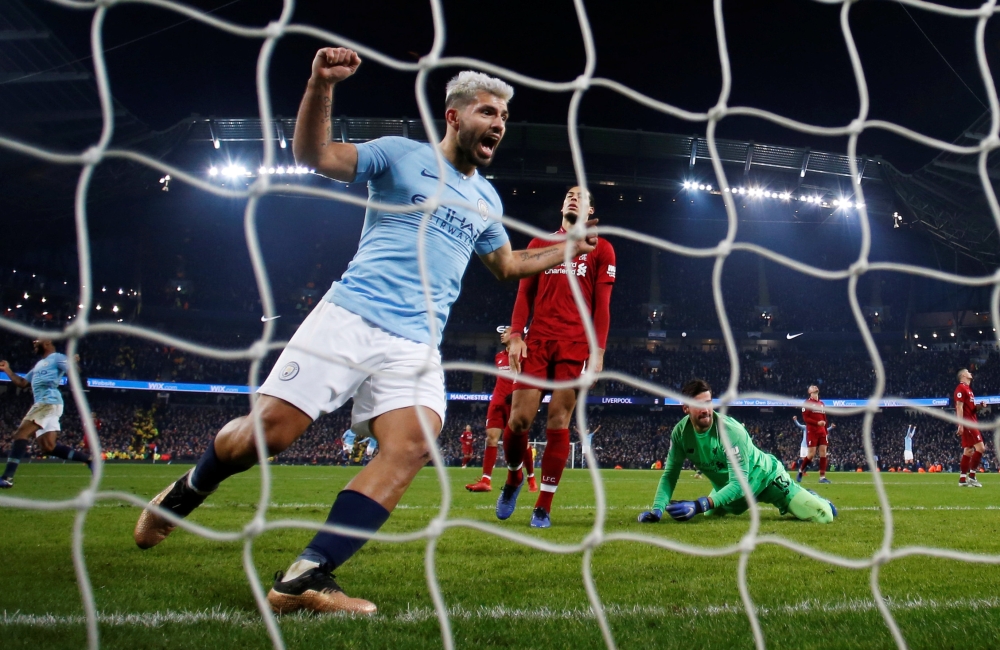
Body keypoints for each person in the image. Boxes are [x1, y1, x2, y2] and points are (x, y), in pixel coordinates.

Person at [132, 47, 598, 616]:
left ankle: (305, 578)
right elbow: (315, 154)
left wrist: (565, 248)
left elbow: (505, 266)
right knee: (268, 435)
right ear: (453, 116)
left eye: (503, 115)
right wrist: (319, 86)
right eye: (487, 112)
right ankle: (188, 488)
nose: (498, 123)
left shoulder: (486, 199)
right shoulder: (401, 156)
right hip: (350, 316)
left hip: (415, 345)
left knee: (413, 443)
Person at [496, 186, 616, 529]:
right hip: (538, 341)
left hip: (575, 345)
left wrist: (598, 351)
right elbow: (523, 294)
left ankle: (543, 506)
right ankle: (515, 477)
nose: (574, 197)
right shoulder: (538, 244)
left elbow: (602, 307)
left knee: (558, 422)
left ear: (592, 207)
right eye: (569, 193)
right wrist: (517, 334)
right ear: (563, 204)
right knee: (518, 421)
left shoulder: (602, 248)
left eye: (582, 195)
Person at [638, 379, 835, 525]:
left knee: (823, 516)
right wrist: (657, 510)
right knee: (709, 516)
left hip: (766, 479)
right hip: (731, 489)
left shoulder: (731, 431)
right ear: (685, 408)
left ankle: (817, 499)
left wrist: (699, 505)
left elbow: (738, 483)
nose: (706, 410)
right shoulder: (680, 434)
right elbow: (670, 475)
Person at [0, 340, 90, 488]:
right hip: (48, 404)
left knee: (21, 434)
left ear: (47, 342)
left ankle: (7, 477)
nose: (34, 342)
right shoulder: (39, 364)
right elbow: (22, 383)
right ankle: (88, 459)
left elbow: (74, 371)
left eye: (37, 340)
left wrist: (72, 363)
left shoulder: (56, 357)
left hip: (48, 401)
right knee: (48, 447)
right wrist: (7, 370)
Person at [466, 327, 537, 493]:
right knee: (491, 438)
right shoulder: (498, 356)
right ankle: (486, 480)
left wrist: (518, 394)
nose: (501, 335)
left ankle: (531, 477)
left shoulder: (524, 354)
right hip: (497, 401)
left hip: (515, 402)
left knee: (522, 441)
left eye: (505, 332)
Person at [954, 368, 985, 487]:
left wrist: (980, 406)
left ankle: (962, 479)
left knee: (968, 450)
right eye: (967, 371)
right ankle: (972, 476)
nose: (970, 373)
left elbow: (971, 409)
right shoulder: (960, 388)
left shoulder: (969, 390)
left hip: (971, 421)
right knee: (981, 448)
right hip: (967, 423)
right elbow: (959, 407)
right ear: (963, 375)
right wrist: (960, 425)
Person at [797, 385, 832, 484]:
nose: (815, 387)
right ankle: (801, 470)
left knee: (823, 453)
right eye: (812, 387)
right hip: (812, 431)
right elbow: (805, 419)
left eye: (815, 387)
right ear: (809, 392)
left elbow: (824, 418)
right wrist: (817, 423)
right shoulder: (807, 403)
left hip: (822, 432)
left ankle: (822, 477)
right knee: (811, 455)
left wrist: (825, 431)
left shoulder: (821, 404)